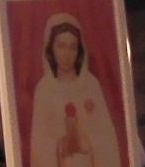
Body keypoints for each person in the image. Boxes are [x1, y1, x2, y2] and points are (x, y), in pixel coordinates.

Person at [27, 13, 123, 167]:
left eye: (72, 47)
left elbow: (106, 138)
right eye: (61, 46)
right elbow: (40, 144)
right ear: (50, 48)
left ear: (79, 51)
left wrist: (87, 142)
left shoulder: (91, 85)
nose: (66, 54)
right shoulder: (44, 89)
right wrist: (60, 144)